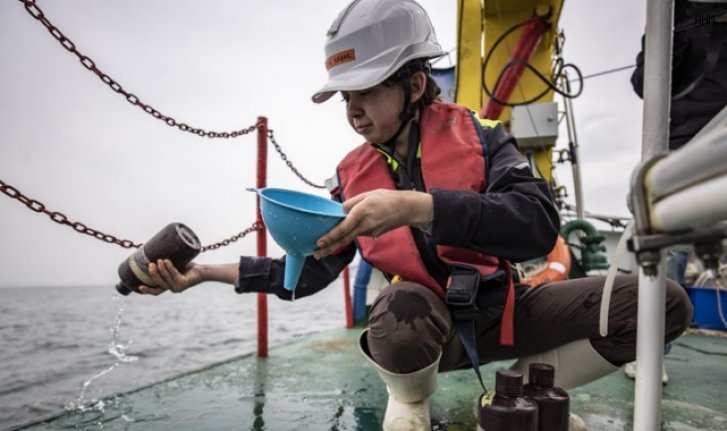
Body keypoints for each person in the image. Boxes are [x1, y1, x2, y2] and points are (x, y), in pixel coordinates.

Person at [140, 1, 693, 429]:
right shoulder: (349, 176)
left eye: (364, 90)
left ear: (415, 84)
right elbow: (311, 271)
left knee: (658, 303)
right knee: (399, 303)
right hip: (423, 332)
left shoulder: (483, 136)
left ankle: (516, 391)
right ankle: (410, 403)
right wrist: (202, 274)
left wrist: (418, 208)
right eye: (343, 97)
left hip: (506, 311)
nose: (351, 108)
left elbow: (537, 223)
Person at [625, 0, 727, 384]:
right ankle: (651, 353)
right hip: (684, 149)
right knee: (669, 254)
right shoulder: (676, 19)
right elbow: (645, 84)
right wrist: (684, 25)